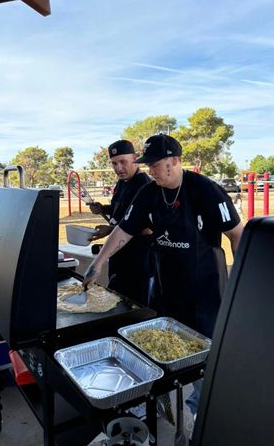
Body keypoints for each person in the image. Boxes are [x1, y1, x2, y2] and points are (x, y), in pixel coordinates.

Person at [84, 134, 244, 415]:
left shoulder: (206, 190)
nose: (151, 170)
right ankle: (155, 405)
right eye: (148, 165)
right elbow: (124, 229)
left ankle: (200, 415)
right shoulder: (148, 193)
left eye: (156, 164)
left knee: (203, 360)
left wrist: (242, 283)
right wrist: (99, 262)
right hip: (165, 288)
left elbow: (236, 234)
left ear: (175, 161)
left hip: (204, 292)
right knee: (158, 349)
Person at [88, 139, 153, 305]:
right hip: (118, 256)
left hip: (137, 261)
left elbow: (145, 228)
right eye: (114, 163)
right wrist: (102, 210)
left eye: (123, 162)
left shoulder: (144, 186)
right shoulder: (122, 182)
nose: (119, 168)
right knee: (116, 300)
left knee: (131, 306)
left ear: (136, 158)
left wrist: (110, 230)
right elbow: (119, 213)